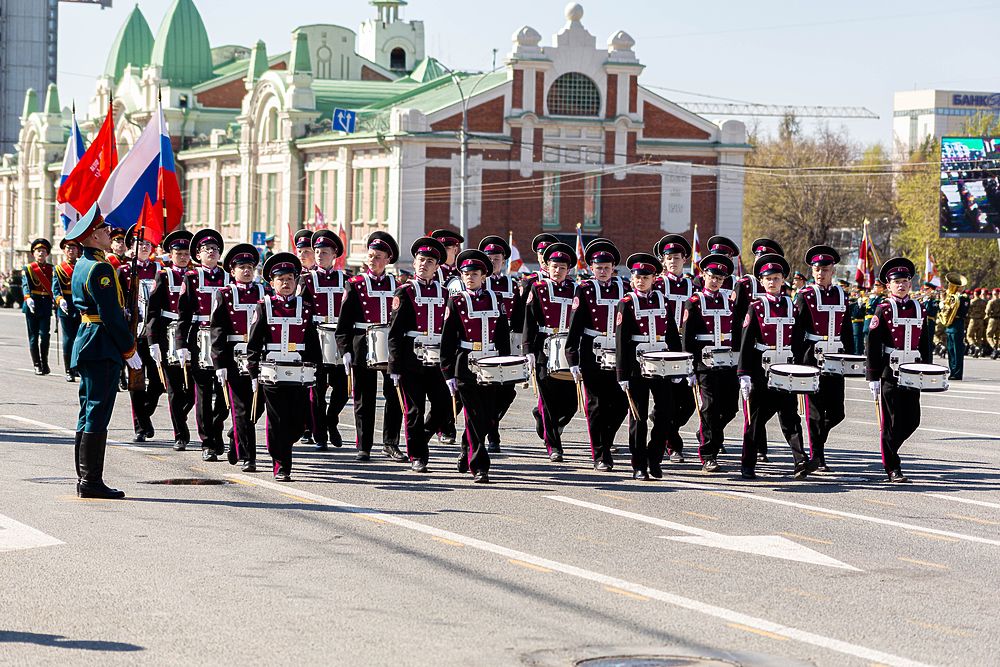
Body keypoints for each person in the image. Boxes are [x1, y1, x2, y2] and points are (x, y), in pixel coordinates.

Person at [66, 204, 142, 499]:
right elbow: (110, 315)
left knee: (87, 411)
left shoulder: (83, 264)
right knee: (97, 411)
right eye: (104, 229)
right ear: (93, 236)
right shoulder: (100, 268)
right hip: (101, 344)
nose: (109, 232)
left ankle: (84, 478)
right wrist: (128, 348)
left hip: (88, 341)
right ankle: (91, 481)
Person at [738, 254, 818, 480]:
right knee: (755, 421)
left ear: (783, 280)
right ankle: (748, 463)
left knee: (791, 418)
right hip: (762, 372)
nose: (772, 282)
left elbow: (799, 341)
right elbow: (746, 342)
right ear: (761, 282)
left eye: (776, 278)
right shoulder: (755, 307)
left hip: (787, 371)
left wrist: (803, 370)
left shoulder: (792, 307)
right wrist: (744, 374)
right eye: (768, 279)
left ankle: (800, 461)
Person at [246, 252, 322, 481]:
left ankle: (282, 446)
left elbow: (311, 342)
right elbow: (254, 343)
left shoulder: (306, 307)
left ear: (297, 281)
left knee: (298, 422)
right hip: (272, 371)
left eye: (290, 278)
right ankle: (281, 465)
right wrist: (253, 371)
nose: (286, 283)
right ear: (272, 283)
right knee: (277, 419)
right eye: (281, 279)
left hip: (298, 372)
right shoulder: (264, 307)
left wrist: (317, 368)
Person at [439, 249, 513, 484]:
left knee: (489, 415)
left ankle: (466, 448)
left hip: (491, 363)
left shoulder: (496, 299)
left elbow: (502, 336)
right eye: (465, 273)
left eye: (474, 273)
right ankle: (480, 466)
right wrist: (448, 371)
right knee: (473, 414)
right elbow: (448, 338)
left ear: (484, 276)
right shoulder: (457, 300)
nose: (469, 277)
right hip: (466, 364)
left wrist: (506, 364)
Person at [335, 231, 404, 462]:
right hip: (363, 343)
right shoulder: (355, 284)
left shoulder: (398, 285)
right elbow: (343, 322)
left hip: (391, 345)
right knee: (364, 397)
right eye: (370, 255)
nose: (372, 260)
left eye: (378, 256)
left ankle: (390, 443)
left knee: (393, 395)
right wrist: (344, 349)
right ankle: (363, 445)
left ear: (388, 259)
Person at [615, 252, 683, 480]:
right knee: (638, 416)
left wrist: (678, 364)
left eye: (646, 276)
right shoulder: (626, 303)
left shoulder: (663, 300)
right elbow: (621, 340)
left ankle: (655, 457)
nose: (641, 280)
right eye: (637, 276)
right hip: (636, 366)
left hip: (662, 364)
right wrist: (622, 373)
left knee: (665, 414)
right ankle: (638, 464)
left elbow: (673, 335)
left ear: (654, 278)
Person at [865, 258, 933, 483]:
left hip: (913, 370)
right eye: (897, 282)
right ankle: (892, 467)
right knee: (891, 421)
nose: (901, 285)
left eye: (905, 281)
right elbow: (872, 344)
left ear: (910, 284)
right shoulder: (883, 309)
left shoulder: (919, 308)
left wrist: (928, 369)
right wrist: (873, 376)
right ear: (889, 286)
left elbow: (925, 342)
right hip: (890, 371)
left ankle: (889, 450)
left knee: (913, 419)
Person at [387, 237, 451, 473]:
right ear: (414, 263)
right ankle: (418, 456)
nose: (424, 264)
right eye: (421, 260)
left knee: (444, 405)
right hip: (411, 360)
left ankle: (421, 437)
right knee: (414, 410)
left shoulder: (445, 294)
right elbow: (394, 333)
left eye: (430, 261)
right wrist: (394, 367)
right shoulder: (404, 292)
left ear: (437, 267)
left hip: (437, 359)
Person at [565, 239, 628, 472]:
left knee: (621, 404)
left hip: (619, 351)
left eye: (607, 267)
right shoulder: (584, 289)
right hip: (592, 350)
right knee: (597, 405)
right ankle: (600, 454)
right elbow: (576, 326)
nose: (603, 271)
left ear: (613, 267)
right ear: (591, 268)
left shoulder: (625, 287)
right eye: (598, 267)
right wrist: (573, 358)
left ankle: (607, 441)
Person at [792, 245, 854, 472]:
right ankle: (818, 456)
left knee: (838, 412)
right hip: (812, 356)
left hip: (836, 357)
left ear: (833, 270)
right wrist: (797, 361)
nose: (820, 273)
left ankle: (818, 442)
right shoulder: (805, 295)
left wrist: (851, 356)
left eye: (825, 269)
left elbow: (847, 329)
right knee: (815, 411)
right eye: (817, 269)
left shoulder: (841, 295)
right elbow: (797, 331)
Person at [211, 243, 267, 472]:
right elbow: (217, 330)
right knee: (242, 407)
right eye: (241, 267)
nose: (246, 271)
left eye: (250, 267)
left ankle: (236, 434)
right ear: (232, 271)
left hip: (260, 355)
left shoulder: (265, 292)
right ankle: (248, 457)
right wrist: (219, 362)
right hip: (234, 355)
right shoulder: (223, 294)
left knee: (258, 405)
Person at [683, 253, 740, 473]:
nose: (715, 281)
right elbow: (687, 337)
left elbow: (735, 330)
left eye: (719, 277)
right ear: (703, 275)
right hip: (704, 362)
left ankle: (709, 434)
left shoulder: (729, 300)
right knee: (709, 407)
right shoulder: (694, 301)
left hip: (727, 362)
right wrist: (690, 366)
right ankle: (708, 454)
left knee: (730, 408)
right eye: (711, 276)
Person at [177, 229, 231, 462]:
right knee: (203, 392)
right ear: (197, 255)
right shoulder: (190, 278)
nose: (211, 252)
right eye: (206, 250)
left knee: (224, 394)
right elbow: (183, 314)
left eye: (215, 249)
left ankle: (217, 426)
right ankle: (207, 442)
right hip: (199, 338)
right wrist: (181, 344)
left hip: (225, 340)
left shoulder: (230, 277)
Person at [523, 242, 579, 462]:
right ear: (547, 266)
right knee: (547, 399)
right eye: (554, 266)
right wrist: (528, 349)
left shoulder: (576, 289)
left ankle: (547, 421)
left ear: (568, 269)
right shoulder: (538, 288)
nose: (558, 270)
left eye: (562, 267)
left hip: (569, 346)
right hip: (545, 346)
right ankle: (554, 446)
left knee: (571, 402)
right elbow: (530, 320)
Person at [298, 229, 349, 450]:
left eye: (324, 252)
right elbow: (300, 310)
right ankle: (319, 435)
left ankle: (332, 420)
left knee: (342, 388)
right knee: (316, 390)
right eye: (317, 251)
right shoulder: (306, 279)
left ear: (334, 254)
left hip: (338, 338)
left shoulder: (346, 279)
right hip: (315, 338)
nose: (319, 255)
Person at [145, 230, 196, 451]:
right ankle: (180, 433)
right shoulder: (164, 276)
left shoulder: (196, 276)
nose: (183, 257)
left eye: (186, 253)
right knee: (174, 387)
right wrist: (152, 340)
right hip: (168, 334)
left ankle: (180, 416)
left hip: (191, 334)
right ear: (170, 254)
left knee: (193, 391)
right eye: (178, 253)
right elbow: (153, 310)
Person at [653, 233, 698, 461]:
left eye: (677, 257)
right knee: (668, 396)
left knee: (688, 402)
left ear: (684, 259)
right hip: (665, 344)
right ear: (663, 261)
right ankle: (673, 444)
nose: (673, 261)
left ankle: (665, 426)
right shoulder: (658, 284)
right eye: (669, 258)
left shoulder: (693, 284)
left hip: (687, 343)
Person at [117, 225, 164, 441]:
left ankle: (144, 413)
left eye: (148, 244)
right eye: (140, 243)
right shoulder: (124, 271)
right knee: (136, 380)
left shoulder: (160, 269)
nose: (144, 247)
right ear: (130, 248)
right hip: (133, 332)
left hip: (154, 332)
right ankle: (140, 426)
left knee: (157, 381)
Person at [480, 235, 520, 452]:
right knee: (489, 390)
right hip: (485, 341)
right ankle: (492, 434)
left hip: (508, 341)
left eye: (497, 258)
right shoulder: (479, 282)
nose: (494, 261)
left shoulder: (511, 284)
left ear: (504, 261)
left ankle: (491, 421)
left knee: (507, 391)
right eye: (489, 258)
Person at [22, 238, 54, 375]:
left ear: (47, 254)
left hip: (45, 303)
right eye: (38, 251)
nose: (41, 253)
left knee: (45, 335)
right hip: (33, 303)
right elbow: (25, 285)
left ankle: (44, 362)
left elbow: (54, 285)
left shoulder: (51, 269)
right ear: (33, 254)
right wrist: (28, 298)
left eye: (43, 251)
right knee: (34, 336)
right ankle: (37, 364)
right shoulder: (28, 268)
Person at [54, 238, 83, 382]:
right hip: (67, 305)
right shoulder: (59, 269)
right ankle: (68, 370)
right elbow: (56, 289)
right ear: (64, 251)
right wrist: (60, 300)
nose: (71, 251)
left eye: (74, 248)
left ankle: (77, 366)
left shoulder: (82, 266)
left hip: (81, 305)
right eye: (68, 248)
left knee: (80, 338)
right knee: (68, 338)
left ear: (78, 250)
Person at [945, 285, 969, 380]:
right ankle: (952, 371)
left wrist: (954, 303)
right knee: (950, 351)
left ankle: (957, 373)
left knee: (957, 350)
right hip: (950, 326)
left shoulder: (964, 298)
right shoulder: (951, 297)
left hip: (957, 325)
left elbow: (963, 312)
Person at [967, 288, 988, 357]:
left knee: (969, 335)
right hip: (981, 320)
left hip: (973, 320)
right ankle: (977, 349)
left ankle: (973, 346)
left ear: (975, 293)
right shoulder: (984, 302)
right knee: (979, 337)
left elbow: (968, 310)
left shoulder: (972, 301)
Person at [850, 290, 866, 355]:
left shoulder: (863, 303)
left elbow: (861, 313)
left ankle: (858, 352)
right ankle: (855, 351)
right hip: (853, 323)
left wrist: (861, 306)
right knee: (855, 338)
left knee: (858, 338)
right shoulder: (852, 303)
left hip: (859, 323)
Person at [987, 288, 1000, 359]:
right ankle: (998, 349)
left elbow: (987, 311)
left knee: (989, 335)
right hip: (999, 319)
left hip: (993, 319)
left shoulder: (991, 302)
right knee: (997, 336)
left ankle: (994, 348)